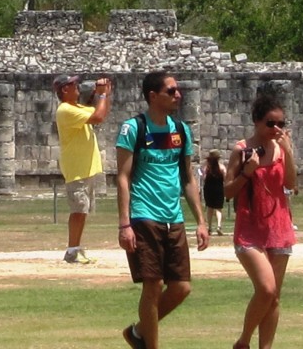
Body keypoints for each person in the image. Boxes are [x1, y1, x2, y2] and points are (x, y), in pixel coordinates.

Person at [116, 70, 209, 349]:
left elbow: (188, 179)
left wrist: (201, 221)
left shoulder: (181, 131)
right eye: (171, 91)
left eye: (177, 90)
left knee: (181, 287)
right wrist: (124, 225)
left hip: (174, 217)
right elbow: (122, 177)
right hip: (144, 215)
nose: (177, 94)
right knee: (153, 286)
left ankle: (138, 333)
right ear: (153, 96)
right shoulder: (133, 129)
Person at [224, 92, 297, 349]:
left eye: (281, 124)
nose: (276, 129)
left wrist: (288, 152)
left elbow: (291, 184)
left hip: (279, 227)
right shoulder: (242, 150)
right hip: (250, 230)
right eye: (270, 123)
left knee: (274, 297)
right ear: (256, 121)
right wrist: (247, 172)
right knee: (266, 289)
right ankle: (243, 341)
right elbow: (228, 192)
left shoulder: (282, 149)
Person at [54, 72, 113, 264]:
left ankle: (76, 247)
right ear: (65, 90)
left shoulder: (76, 107)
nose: (78, 87)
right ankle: (72, 250)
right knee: (78, 210)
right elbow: (98, 117)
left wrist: (101, 95)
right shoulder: (65, 110)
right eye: (73, 85)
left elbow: (98, 112)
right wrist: (102, 95)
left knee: (83, 210)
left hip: (85, 167)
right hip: (76, 168)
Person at [202, 149, 228, 235]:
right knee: (218, 208)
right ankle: (219, 226)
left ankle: (209, 227)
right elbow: (225, 179)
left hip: (208, 189)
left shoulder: (207, 168)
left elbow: (204, 178)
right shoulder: (222, 167)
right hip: (218, 189)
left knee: (210, 208)